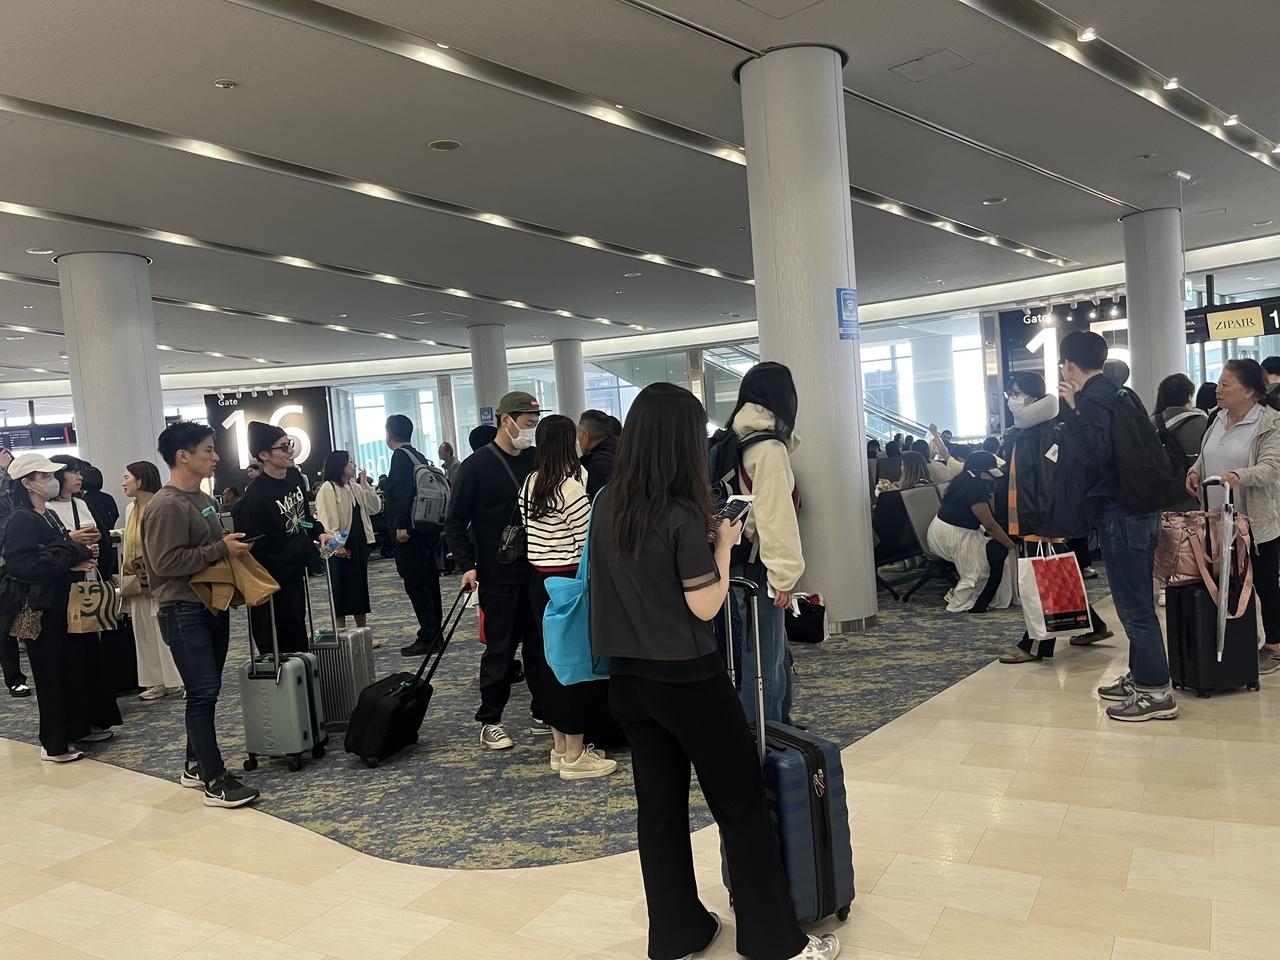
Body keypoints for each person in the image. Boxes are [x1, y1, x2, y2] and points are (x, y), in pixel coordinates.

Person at [590, 382, 838, 960]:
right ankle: (774, 942)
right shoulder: (680, 513)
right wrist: (723, 544)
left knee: (659, 812)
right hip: (688, 679)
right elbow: (704, 604)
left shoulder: (608, 504)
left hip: (628, 680)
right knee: (741, 805)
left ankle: (677, 933)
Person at [1058, 330, 1177, 722]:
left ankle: (1156, 692)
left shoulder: (1091, 399)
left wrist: (1072, 410)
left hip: (1120, 512)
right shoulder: (1121, 392)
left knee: (1134, 607)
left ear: (1068, 364)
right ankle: (1143, 676)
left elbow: (1094, 453)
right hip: (1141, 508)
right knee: (1138, 600)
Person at [144, 422, 259, 806]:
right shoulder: (167, 505)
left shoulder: (201, 498)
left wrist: (225, 546)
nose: (215, 457)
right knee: (202, 692)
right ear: (183, 456)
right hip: (182, 608)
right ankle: (214, 779)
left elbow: (206, 546)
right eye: (208, 449)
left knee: (207, 689)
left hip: (210, 604)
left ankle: (195, 764)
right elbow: (165, 563)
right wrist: (220, 549)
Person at [0, 453, 121, 762]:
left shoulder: (45, 515)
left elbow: (57, 550)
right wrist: (69, 558)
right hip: (39, 607)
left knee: (72, 665)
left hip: (60, 603)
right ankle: (53, 743)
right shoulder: (22, 519)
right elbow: (20, 564)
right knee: (50, 672)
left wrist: (77, 555)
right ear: (26, 483)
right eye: (44, 476)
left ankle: (76, 728)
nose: (52, 481)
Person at [445, 392, 544, 750]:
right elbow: (455, 522)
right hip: (497, 573)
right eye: (527, 423)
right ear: (506, 420)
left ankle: (541, 711)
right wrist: (467, 565)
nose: (531, 430)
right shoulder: (476, 466)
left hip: (538, 569)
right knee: (501, 649)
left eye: (535, 424)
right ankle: (490, 720)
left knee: (540, 648)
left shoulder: (537, 459)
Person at [519, 414, 616, 780]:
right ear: (567, 442)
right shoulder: (570, 488)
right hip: (568, 583)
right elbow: (587, 540)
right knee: (573, 666)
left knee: (550, 663)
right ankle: (576, 755)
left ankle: (560, 747)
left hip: (539, 582)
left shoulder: (531, 481)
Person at [996, 374, 1113, 662]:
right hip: (1033, 518)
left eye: (1017, 393)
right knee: (1057, 576)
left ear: (1034, 396)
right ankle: (1093, 626)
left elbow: (1048, 483)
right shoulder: (1027, 432)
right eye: (1010, 394)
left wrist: (1045, 522)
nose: (1012, 400)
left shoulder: (1044, 433)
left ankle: (1035, 645)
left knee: (1040, 582)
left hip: (1039, 521)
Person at [722, 362, 805, 726]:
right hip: (761, 566)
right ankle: (764, 738)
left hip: (738, 559)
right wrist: (784, 575)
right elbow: (774, 516)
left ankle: (778, 729)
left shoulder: (738, 438)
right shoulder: (769, 448)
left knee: (765, 651)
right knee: (765, 657)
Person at [1186, 359, 1280, 676]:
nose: (1218, 389)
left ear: (1249, 391)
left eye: (1226, 384)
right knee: (1228, 582)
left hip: (1255, 519)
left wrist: (1238, 476)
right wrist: (1195, 472)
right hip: (1217, 518)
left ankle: (1275, 645)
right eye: (1218, 382)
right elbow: (1206, 455)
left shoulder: (1269, 422)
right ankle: (1238, 641)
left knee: (1264, 582)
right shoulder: (1217, 417)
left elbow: (1272, 468)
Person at [234, 422, 318, 655]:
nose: (291, 450)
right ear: (264, 455)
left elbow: (303, 518)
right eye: (283, 447)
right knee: (277, 646)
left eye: (290, 444)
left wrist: (317, 531)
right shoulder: (255, 497)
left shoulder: (295, 477)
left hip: (295, 573)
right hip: (271, 583)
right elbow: (252, 553)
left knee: (298, 636)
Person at [383, 415, 445, 656]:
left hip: (409, 532)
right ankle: (435, 633)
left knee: (416, 583)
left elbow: (403, 493)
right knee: (429, 581)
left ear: (389, 435)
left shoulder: (400, 457)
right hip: (426, 528)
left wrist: (400, 526)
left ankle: (428, 634)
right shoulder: (418, 455)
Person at [121, 460, 183, 700]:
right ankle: (155, 680)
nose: (123, 482)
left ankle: (177, 679)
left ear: (141, 480)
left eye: (127, 477)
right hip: (136, 576)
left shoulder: (162, 504)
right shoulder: (130, 509)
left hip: (160, 575)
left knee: (164, 628)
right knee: (144, 631)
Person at [926, 451, 1016, 613]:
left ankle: (985, 594)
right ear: (980, 471)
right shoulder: (974, 490)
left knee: (994, 548)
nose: (992, 478)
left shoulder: (962, 480)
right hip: (953, 535)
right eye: (990, 473)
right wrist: (1011, 546)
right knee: (981, 568)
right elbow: (990, 525)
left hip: (942, 529)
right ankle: (963, 596)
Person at [315, 450, 382, 631]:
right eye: (350, 461)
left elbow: (374, 508)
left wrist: (365, 484)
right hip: (340, 545)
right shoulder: (328, 488)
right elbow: (327, 520)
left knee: (359, 588)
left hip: (358, 542)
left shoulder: (355, 487)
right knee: (341, 589)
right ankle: (342, 633)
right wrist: (336, 546)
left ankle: (362, 632)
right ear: (340, 465)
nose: (354, 465)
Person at [1153, 373, 1209, 512]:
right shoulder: (1202, 421)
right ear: (1189, 396)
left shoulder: (1149, 423)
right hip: (1192, 497)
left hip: (1161, 498)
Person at [0, 445, 30, 697]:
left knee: (29, 615)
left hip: (21, 558)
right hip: (3, 563)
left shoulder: (20, 488)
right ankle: (14, 678)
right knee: (5, 624)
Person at [578, 409, 619, 499]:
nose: (578, 439)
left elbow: (599, 502)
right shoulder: (619, 448)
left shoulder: (599, 464)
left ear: (585, 434)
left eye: (579, 432)